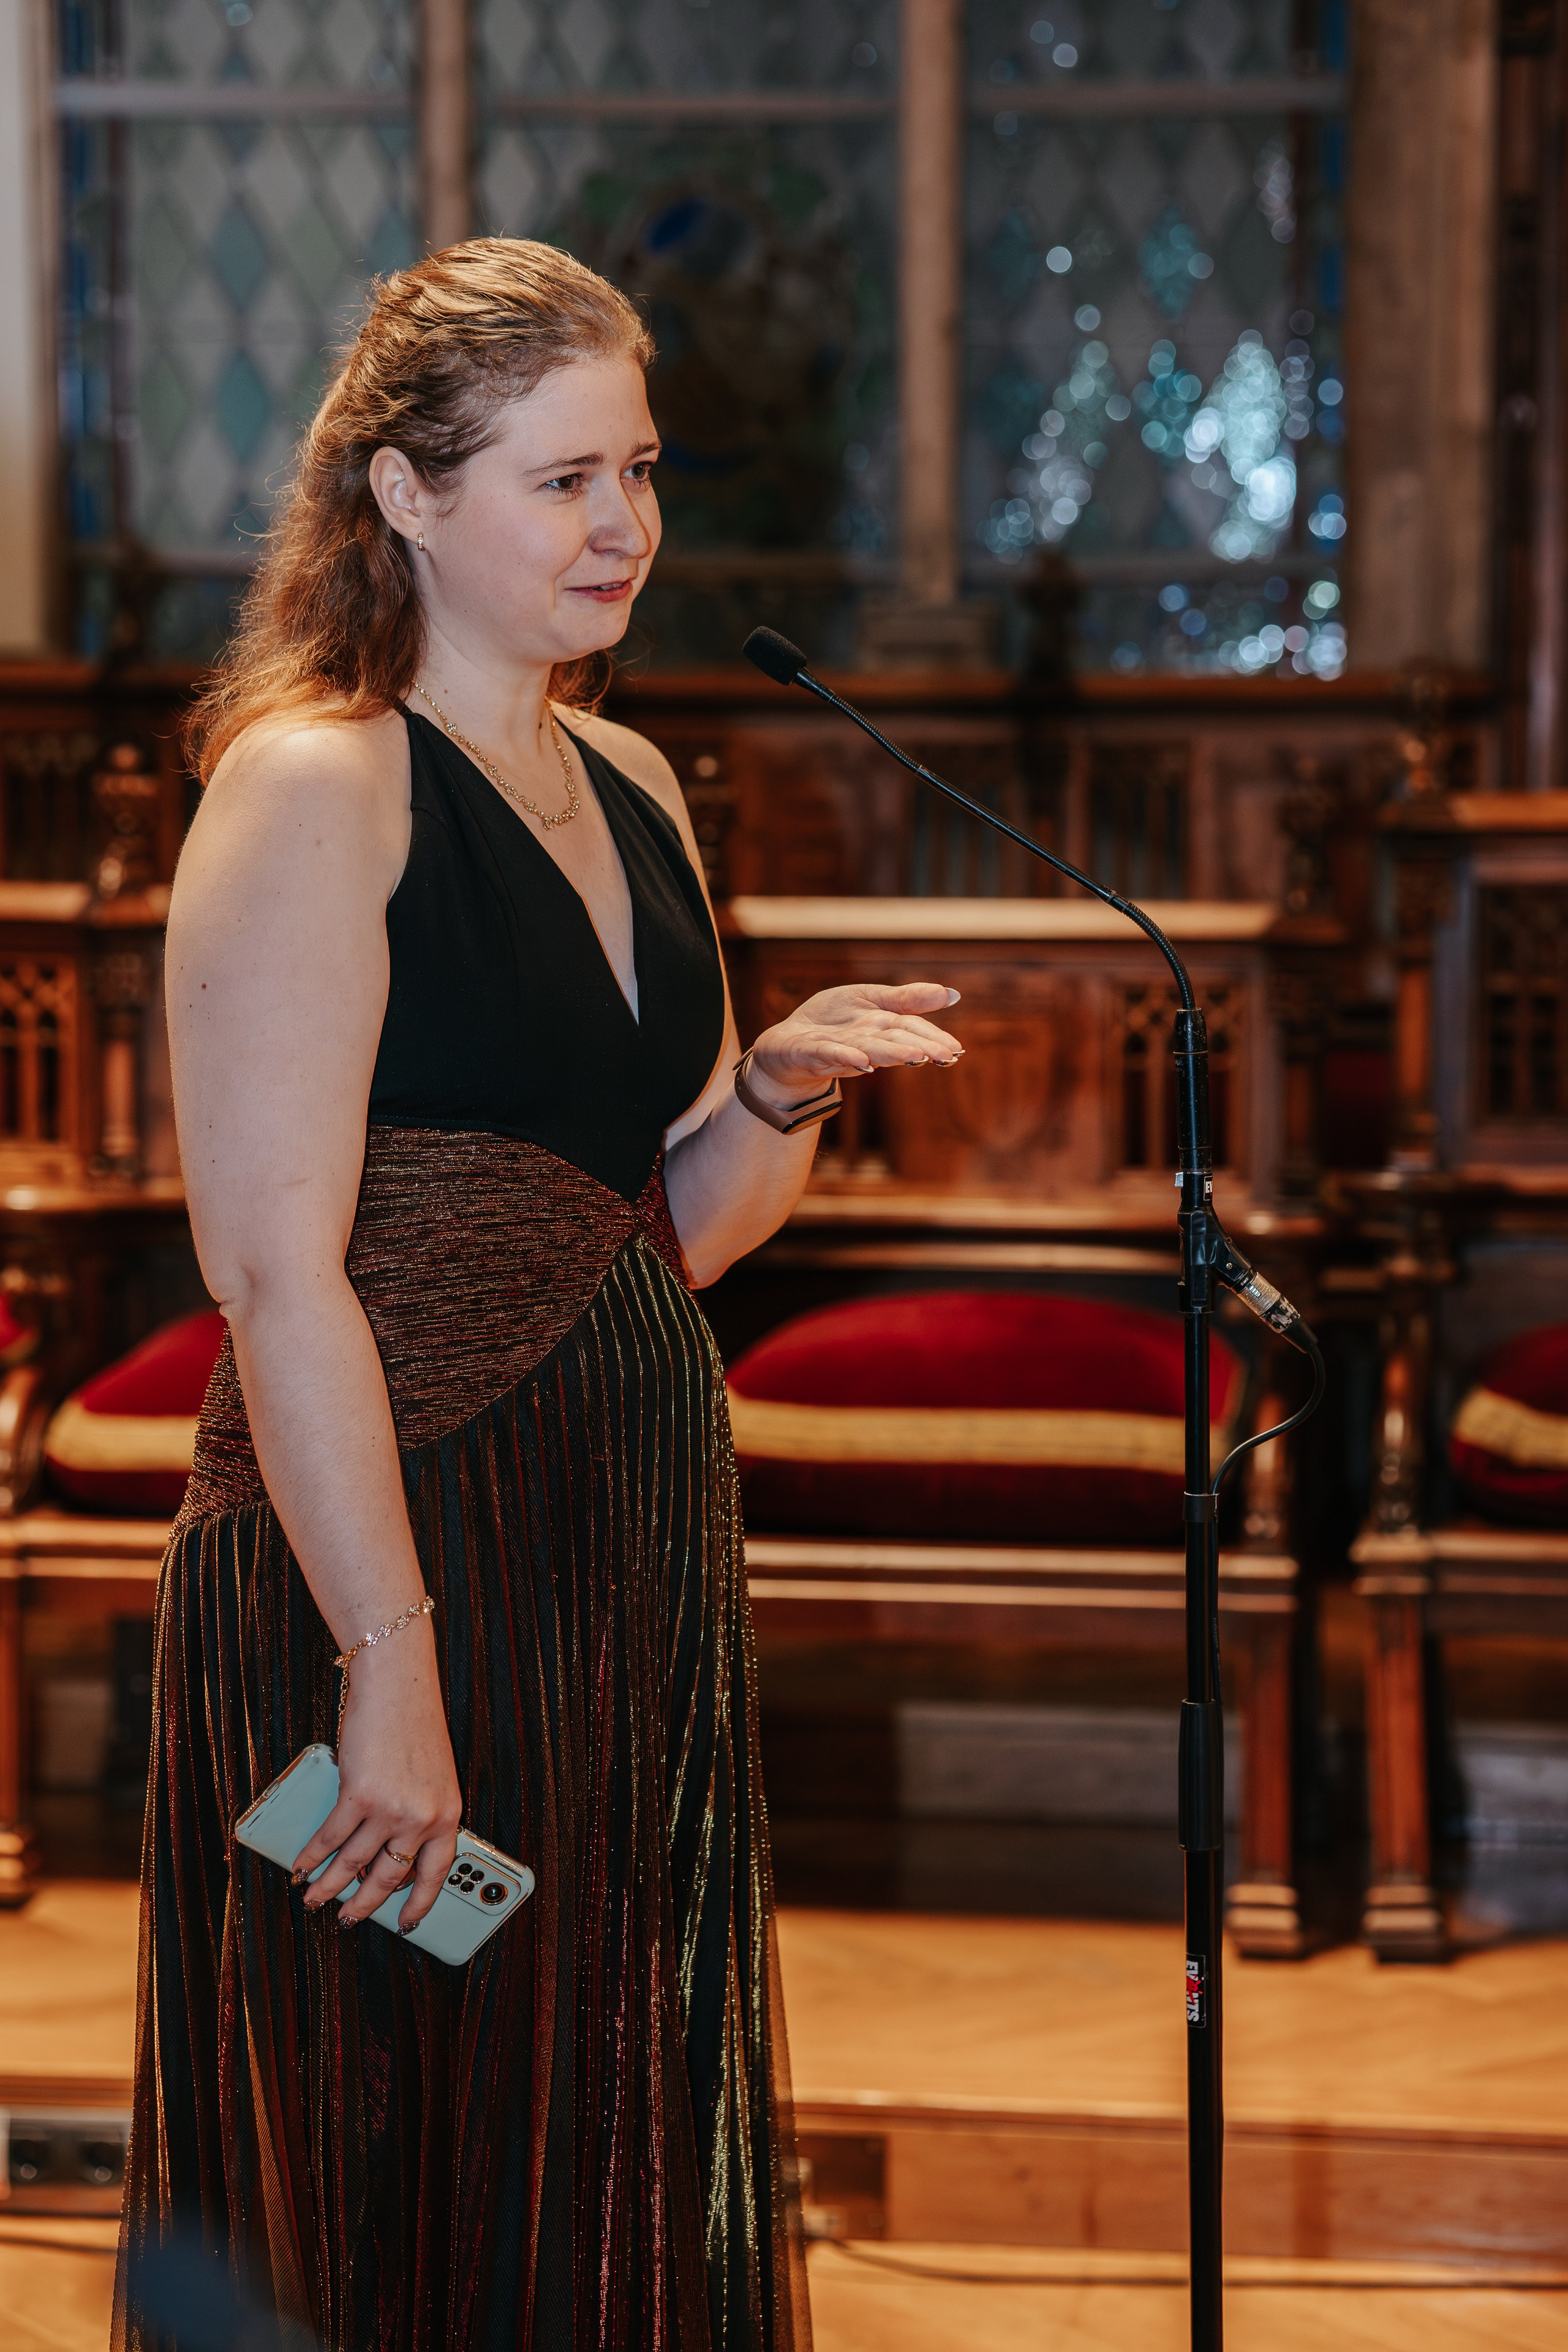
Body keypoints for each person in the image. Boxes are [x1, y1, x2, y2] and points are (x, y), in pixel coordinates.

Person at [114, 236, 963, 2352]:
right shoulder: (314, 784)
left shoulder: (644, 784)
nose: (625, 530)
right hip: (389, 1542)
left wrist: (771, 1086)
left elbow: (665, 1225)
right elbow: (271, 1270)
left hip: (622, 1531)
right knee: (404, 2134)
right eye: (562, 480)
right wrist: (383, 1664)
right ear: (405, 495)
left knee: (595, 2120)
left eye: (641, 472)